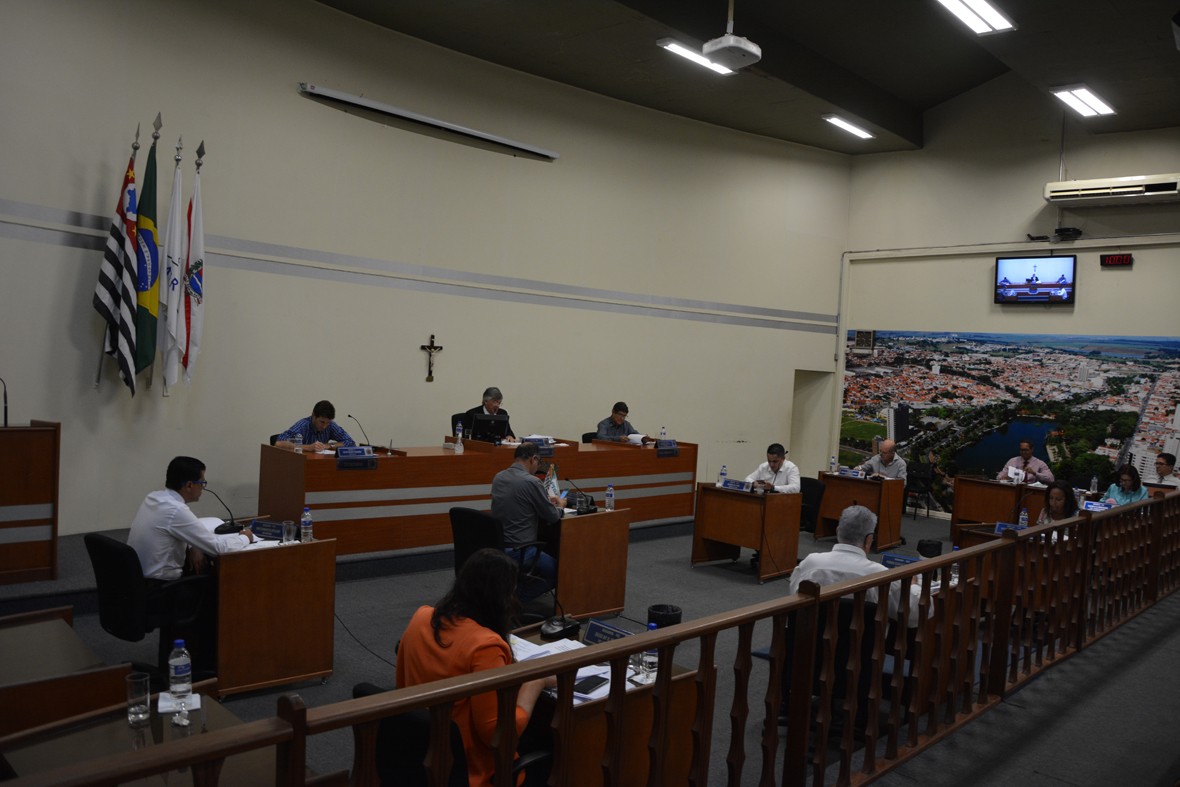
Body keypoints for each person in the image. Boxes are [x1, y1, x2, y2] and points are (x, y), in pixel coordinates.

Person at [396, 548, 555, 787]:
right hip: (470, 771)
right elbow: (497, 735)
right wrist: (536, 681)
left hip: (419, 753)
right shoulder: (485, 646)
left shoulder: (422, 616)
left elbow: (401, 684)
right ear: (500, 597)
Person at [127, 456, 254, 670]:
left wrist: (194, 545)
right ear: (189, 485)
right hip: (160, 590)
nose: (203, 488)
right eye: (202, 483)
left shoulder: (154, 498)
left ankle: (182, 659)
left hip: (140, 584)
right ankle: (204, 667)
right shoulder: (176, 511)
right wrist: (245, 537)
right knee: (216, 592)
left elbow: (174, 530)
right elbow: (219, 548)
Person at [787, 505, 920, 627]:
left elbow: (794, 599)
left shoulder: (810, 563)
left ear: (838, 531)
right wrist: (912, 585)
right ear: (869, 540)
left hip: (808, 642)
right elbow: (914, 615)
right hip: (861, 644)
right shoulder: (881, 575)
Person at [490, 442, 562, 599]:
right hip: (521, 550)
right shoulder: (532, 481)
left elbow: (516, 501)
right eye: (538, 461)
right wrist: (560, 505)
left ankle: (511, 591)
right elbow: (553, 516)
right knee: (560, 571)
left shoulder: (499, 477)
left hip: (499, 546)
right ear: (533, 459)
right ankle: (516, 598)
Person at [275, 400, 356, 451]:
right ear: (313, 416)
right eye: (322, 422)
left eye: (327, 423)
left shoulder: (330, 425)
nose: (324, 426)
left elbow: (350, 442)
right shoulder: (303, 425)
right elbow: (279, 443)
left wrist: (329, 446)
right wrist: (308, 447)